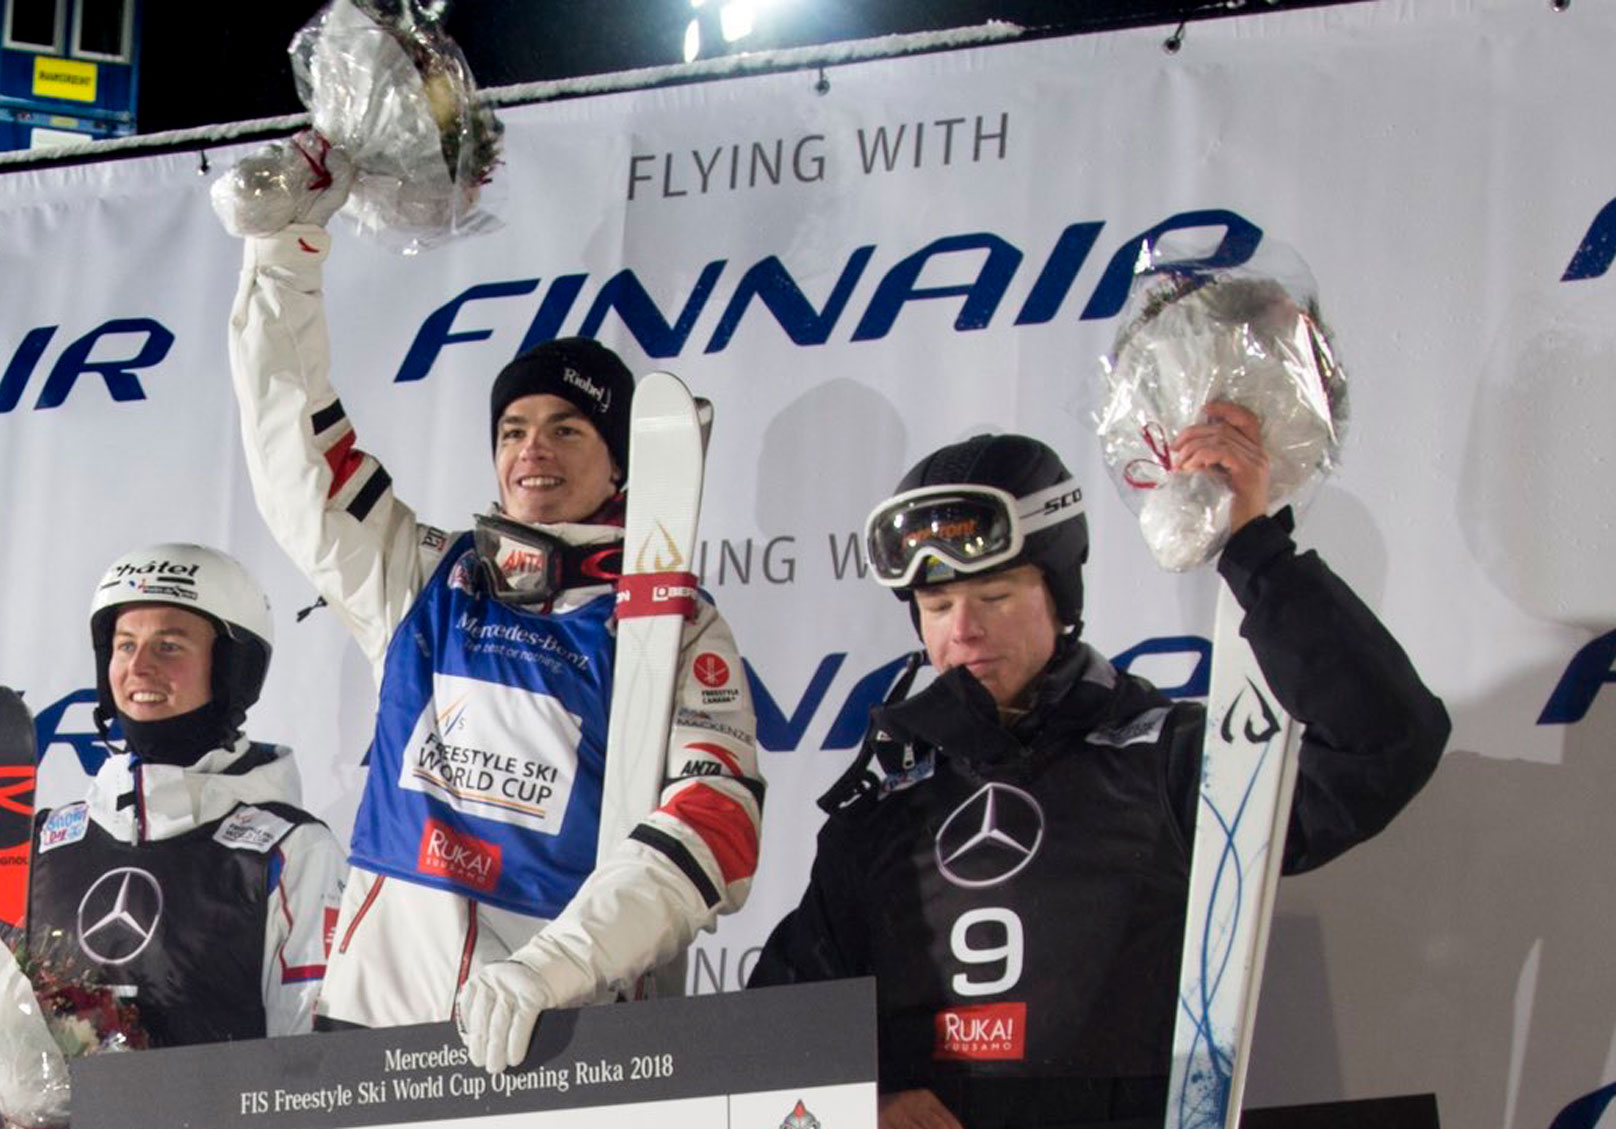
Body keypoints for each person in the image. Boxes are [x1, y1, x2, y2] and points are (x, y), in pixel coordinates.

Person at [214, 138, 764, 1073]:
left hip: (560, 1033)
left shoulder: (671, 623)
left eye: (566, 429)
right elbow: (296, 459)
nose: (533, 450)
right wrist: (283, 255)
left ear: (623, 460)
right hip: (374, 1031)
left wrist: (556, 969)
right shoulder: (425, 575)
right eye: (513, 429)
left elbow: (717, 824)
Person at [749, 422, 1449, 1129]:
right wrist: (858, 1109)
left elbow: (1385, 743)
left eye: (993, 596)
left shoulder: (1166, 760)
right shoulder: (877, 819)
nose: (961, 630)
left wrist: (1254, 547)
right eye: (936, 607)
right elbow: (765, 1042)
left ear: (1059, 595)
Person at [0, 542, 346, 1128]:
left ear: (233, 669)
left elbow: (311, 1067)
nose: (139, 667)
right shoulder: (37, 848)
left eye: (169, 646)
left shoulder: (288, 853)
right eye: (125, 646)